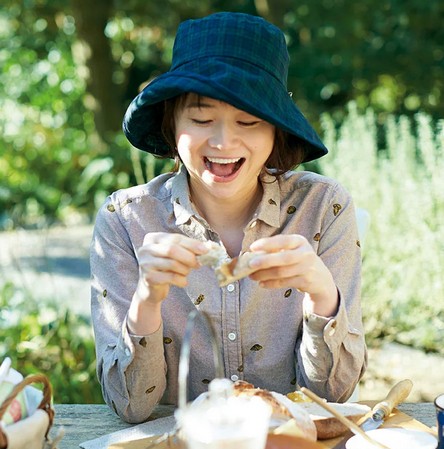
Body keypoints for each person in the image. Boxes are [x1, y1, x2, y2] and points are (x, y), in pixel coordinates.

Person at [90, 12, 367, 423]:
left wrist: (322, 295)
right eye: (201, 119)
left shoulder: (324, 208)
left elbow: (333, 396)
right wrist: (147, 299)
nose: (222, 141)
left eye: (249, 121)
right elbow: (130, 407)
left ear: (275, 130)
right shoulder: (123, 221)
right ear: (172, 123)